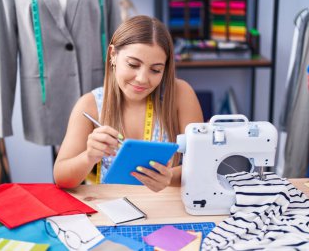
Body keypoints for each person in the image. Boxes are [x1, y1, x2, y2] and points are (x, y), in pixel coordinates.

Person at [53, 15, 203, 192]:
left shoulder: (180, 94)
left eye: (156, 70)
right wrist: (89, 157)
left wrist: (170, 177)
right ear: (113, 55)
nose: (142, 79)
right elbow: (61, 178)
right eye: (133, 64)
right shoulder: (90, 105)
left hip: (165, 206)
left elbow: (201, 165)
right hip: (109, 208)